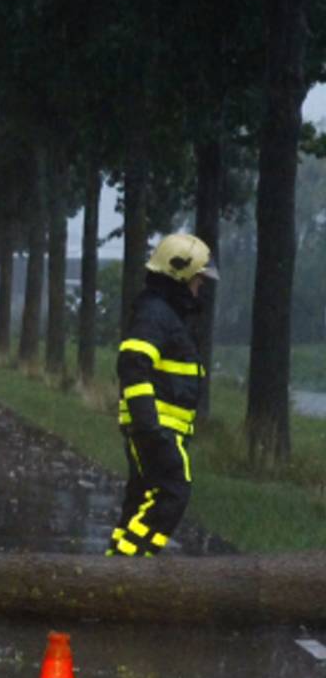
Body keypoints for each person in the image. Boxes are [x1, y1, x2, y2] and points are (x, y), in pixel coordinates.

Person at [107, 233, 217, 557]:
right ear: (180, 274)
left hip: (159, 428)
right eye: (197, 278)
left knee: (142, 498)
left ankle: (115, 568)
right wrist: (148, 426)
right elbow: (132, 363)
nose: (200, 286)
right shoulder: (157, 314)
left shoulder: (165, 313)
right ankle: (131, 564)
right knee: (173, 491)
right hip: (156, 428)